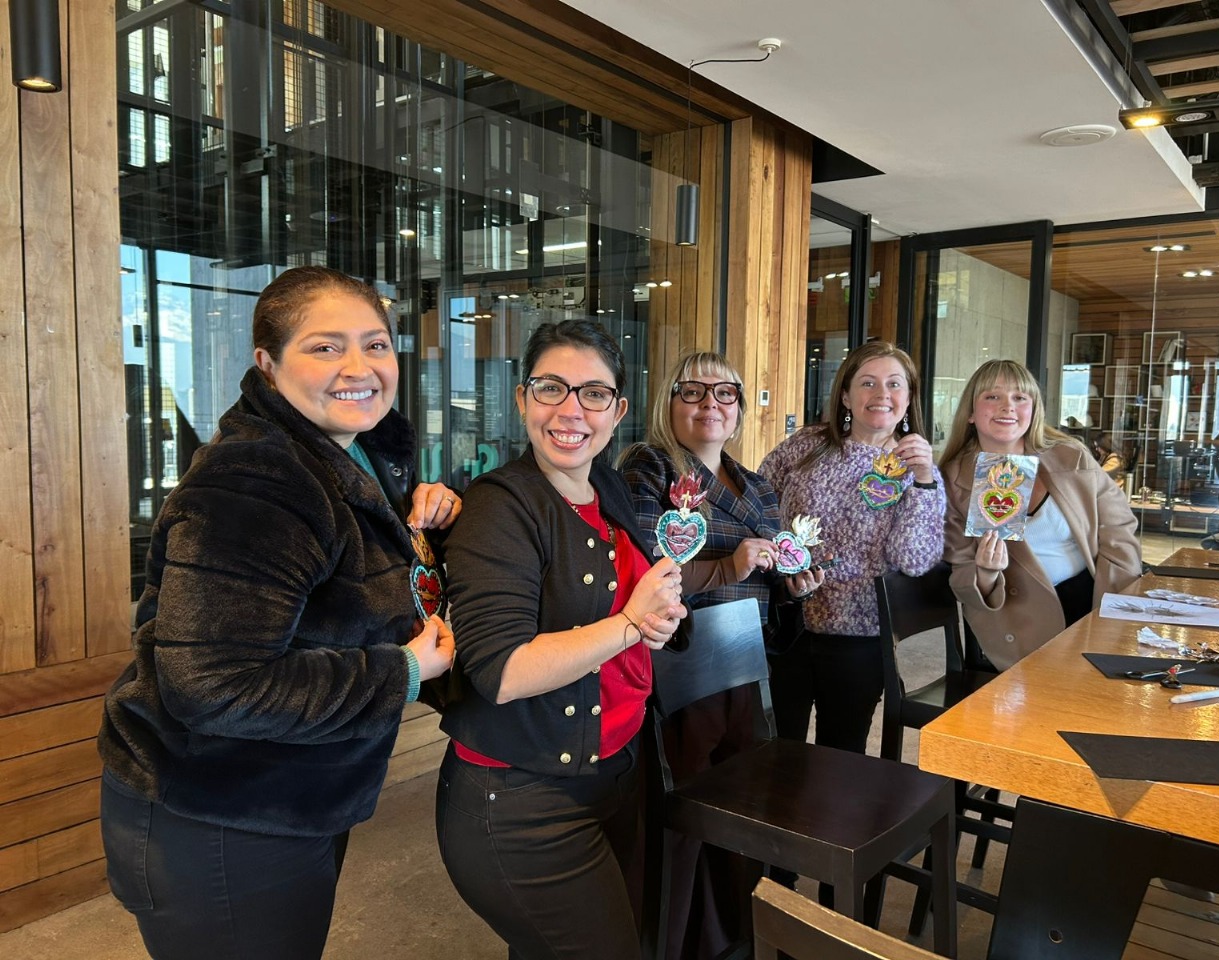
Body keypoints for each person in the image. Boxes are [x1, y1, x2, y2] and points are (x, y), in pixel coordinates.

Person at [97, 266, 459, 960]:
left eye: (376, 345)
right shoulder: (257, 479)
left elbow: (340, 586)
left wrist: (421, 518)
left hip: (289, 794)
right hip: (217, 810)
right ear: (267, 364)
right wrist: (403, 672)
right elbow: (214, 687)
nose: (359, 367)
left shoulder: (352, 456)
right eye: (325, 347)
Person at [437, 319, 688, 960]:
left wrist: (655, 621)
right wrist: (630, 624)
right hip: (523, 802)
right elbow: (503, 671)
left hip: (615, 769)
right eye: (551, 388)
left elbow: (625, 606)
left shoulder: (607, 486)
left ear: (617, 411)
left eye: (594, 393)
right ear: (523, 398)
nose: (571, 410)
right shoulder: (500, 506)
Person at [619, 350, 822, 960]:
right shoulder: (649, 468)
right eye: (693, 391)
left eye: (725, 393)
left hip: (748, 664)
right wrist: (728, 568)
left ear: (739, 410)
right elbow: (642, 573)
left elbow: (773, 575)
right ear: (669, 402)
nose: (710, 403)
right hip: (680, 666)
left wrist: (793, 586)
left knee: (742, 809)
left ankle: (729, 936)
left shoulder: (756, 484)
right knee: (685, 815)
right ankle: (676, 942)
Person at [758, 340, 945, 756]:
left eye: (894, 384)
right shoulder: (808, 444)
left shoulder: (918, 471)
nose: (882, 394)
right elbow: (758, 499)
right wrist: (777, 564)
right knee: (773, 750)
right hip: (785, 622)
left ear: (909, 397)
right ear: (845, 395)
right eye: (868, 383)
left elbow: (913, 560)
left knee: (840, 758)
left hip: (859, 637)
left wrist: (923, 482)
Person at [938, 359, 1142, 672]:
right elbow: (962, 577)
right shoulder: (952, 481)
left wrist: (1115, 603)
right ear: (970, 412)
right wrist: (986, 574)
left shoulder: (1070, 455)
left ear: (1033, 410)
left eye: (1020, 397)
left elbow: (1118, 528)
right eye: (993, 396)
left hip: (1096, 599)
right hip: (1019, 615)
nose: (1007, 406)